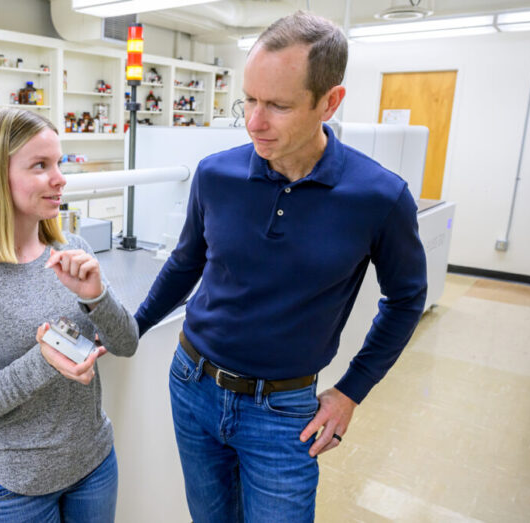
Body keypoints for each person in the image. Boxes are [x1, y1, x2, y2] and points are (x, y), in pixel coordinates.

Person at [134, 11, 427, 523]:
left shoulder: (379, 197)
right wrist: (129, 328)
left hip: (284, 413)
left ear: (329, 102)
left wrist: (350, 392)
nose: (254, 122)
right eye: (248, 99)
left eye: (278, 106)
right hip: (192, 385)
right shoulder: (215, 174)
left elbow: (405, 301)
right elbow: (186, 263)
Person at [0, 108, 138, 522]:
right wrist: (45, 359)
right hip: (15, 488)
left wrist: (96, 297)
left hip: (93, 465)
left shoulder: (72, 248)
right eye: (40, 166)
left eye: (58, 163)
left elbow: (126, 342)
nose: (59, 178)